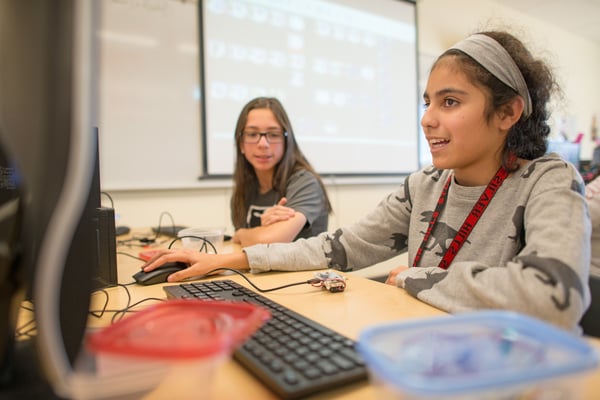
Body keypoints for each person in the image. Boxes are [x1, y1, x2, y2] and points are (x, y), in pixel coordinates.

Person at [143, 31, 590, 332]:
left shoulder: (547, 180)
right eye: (428, 101)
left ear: (508, 112)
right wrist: (233, 260)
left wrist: (416, 277)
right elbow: (337, 248)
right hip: (430, 355)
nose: (427, 118)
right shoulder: (425, 186)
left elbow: (553, 298)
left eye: (450, 101)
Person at [228, 97, 332, 247]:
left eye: (273, 135)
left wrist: (242, 234)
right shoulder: (245, 189)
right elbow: (246, 247)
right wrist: (262, 231)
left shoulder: (304, 182)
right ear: (241, 144)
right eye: (252, 134)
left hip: (303, 270)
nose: (263, 144)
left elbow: (269, 242)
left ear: (287, 142)